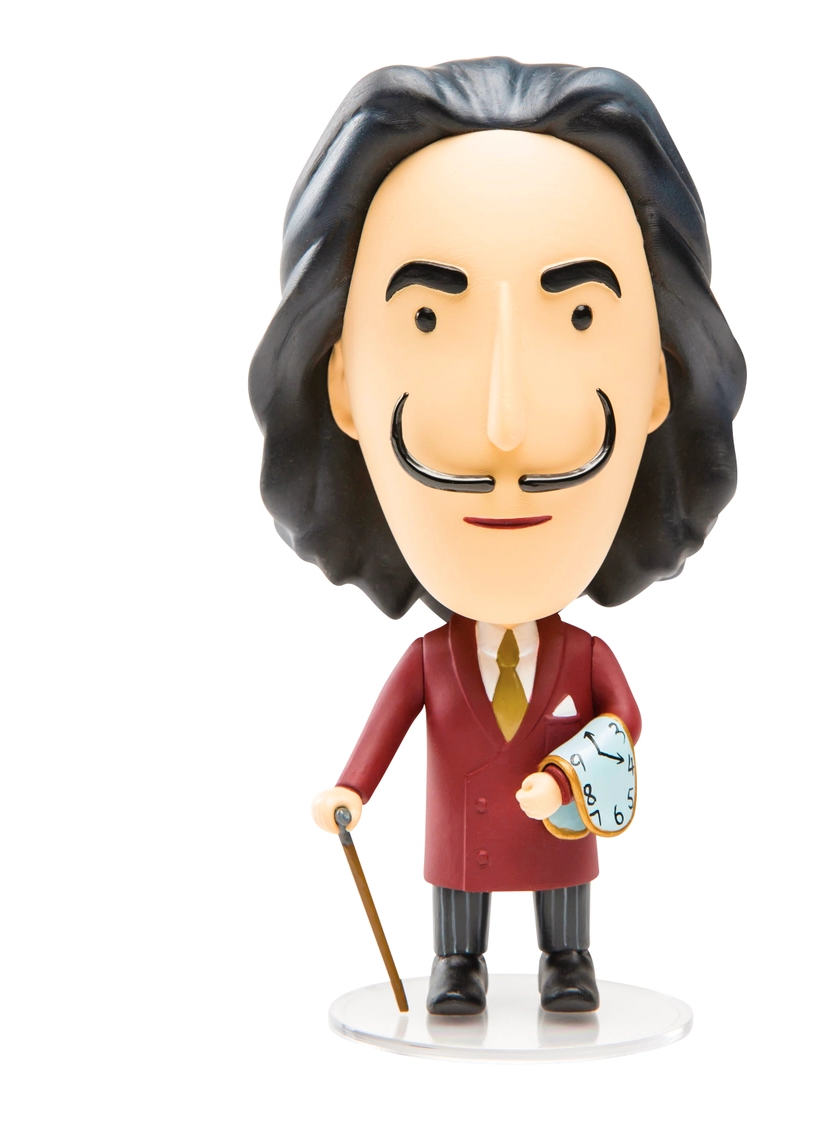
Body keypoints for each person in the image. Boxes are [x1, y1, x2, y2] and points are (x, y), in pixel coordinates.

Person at [249, 57, 745, 1014]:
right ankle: (458, 963)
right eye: (428, 317)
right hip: (462, 846)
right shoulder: (430, 664)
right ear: (341, 380)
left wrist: (568, 775)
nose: (505, 427)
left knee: (563, 908)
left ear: (659, 376)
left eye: (581, 313)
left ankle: (568, 959)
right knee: (457, 911)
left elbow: (622, 723)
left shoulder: (584, 659)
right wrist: (350, 791)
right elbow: (383, 738)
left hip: (557, 834)